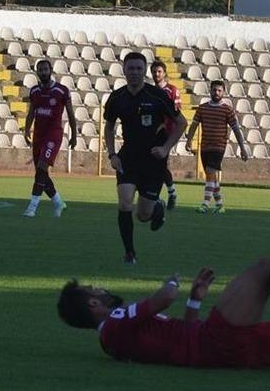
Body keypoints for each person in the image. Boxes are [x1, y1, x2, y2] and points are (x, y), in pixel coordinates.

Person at [57, 258, 270, 381]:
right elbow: (163, 299)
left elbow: (182, 334)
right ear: (93, 304)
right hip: (215, 342)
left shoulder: (113, 339)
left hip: (220, 352)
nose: (101, 289)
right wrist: (171, 284)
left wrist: (195, 299)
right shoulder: (114, 324)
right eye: (94, 290)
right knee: (267, 268)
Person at [104, 52, 187, 265]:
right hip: (128, 157)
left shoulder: (157, 96)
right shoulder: (117, 98)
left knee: (142, 215)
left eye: (139, 68)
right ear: (124, 70)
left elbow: (181, 123)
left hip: (153, 160)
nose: (134, 72)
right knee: (124, 203)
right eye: (131, 68)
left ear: (144, 71)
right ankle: (129, 253)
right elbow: (109, 127)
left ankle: (156, 207)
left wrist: (166, 148)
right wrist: (112, 154)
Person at [22, 59, 77, 218]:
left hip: (53, 134)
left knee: (41, 168)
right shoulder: (34, 91)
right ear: (37, 72)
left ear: (51, 70)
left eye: (45, 69)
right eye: (40, 70)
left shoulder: (61, 90)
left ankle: (32, 208)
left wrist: (74, 135)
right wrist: (27, 129)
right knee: (41, 173)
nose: (43, 72)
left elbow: (71, 114)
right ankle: (58, 202)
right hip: (38, 135)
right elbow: (31, 112)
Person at [185, 80, 249, 214]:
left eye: (219, 90)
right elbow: (194, 125)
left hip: (219, 146)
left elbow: (236, 129)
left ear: (223, 92)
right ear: (210, 91)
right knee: (212, 175)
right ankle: (220, 205)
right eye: (214, 90)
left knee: (210, 171)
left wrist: (242, 148)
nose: (217, 93)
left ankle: (205, 204)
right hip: (205, 146)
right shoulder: (202, 108)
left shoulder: (227, 110)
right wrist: (189, 140)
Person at [150, 60, 181, 210]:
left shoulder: (172, 90)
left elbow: (177, 112)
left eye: (159, 71)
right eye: (154, 72)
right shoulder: (149, 91)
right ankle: (170, 193)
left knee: (160, 164)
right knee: (153, 164)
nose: (157, 74)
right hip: (150, 133)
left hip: (167, 133)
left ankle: (156, 197)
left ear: (164, 73)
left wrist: (166, 126)